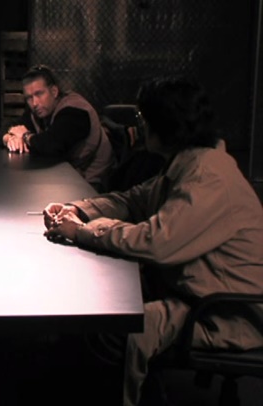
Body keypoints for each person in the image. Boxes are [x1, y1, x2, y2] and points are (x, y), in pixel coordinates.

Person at [40, 76, 263, 406]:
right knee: (101, 303)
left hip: (226, 314)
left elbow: (156, 242)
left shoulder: (207, 177)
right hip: (197, 294)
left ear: (166, 125)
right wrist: (79, 209)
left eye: (143, 118)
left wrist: (83, 231)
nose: (140, 126)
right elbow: (134, 200)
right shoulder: (189, 162)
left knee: (108, 329)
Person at [2, 65, 114, 192]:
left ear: (54, 91)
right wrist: (9, 138)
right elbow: (7, 127)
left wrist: (25, 136)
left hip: (93, 183)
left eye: (39, 94)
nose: (34, 103)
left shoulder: (75, 111)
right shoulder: (40, 111)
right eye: (29, 97)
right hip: (66, 177)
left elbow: (52, 145)